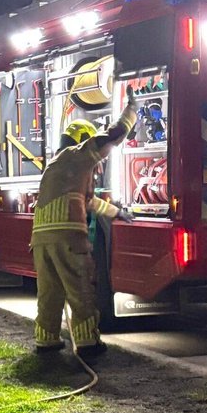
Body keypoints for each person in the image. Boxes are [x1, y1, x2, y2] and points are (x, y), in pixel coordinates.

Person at [31, 87, 139, 360]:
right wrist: (131, 113)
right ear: (81, 141)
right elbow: (110, 137)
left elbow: (87, 200)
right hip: (67, 238)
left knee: (50, 294)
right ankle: (88, 343)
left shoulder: (54, 166)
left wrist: (116, 212)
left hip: (42, 241)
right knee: (80, 290)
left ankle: (47, 341)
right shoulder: (77, 155)